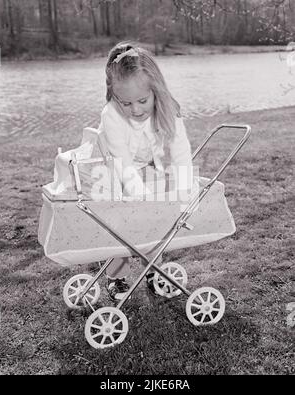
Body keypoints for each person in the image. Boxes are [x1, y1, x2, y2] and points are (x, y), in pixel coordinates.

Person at [98, 41, 193, 301]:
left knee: (156, 218)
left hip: (150, 169)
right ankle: (116, 275)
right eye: (126, 103)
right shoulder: (111, 116)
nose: (136, 109)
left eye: (142, 100)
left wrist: (185, 193)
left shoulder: (167, 110)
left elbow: (181, 153)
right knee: (121, 222)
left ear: (156, 90)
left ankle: (153, 268)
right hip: (117, 171)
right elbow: (123, 163)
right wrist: (139, 198)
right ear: (114, 94)